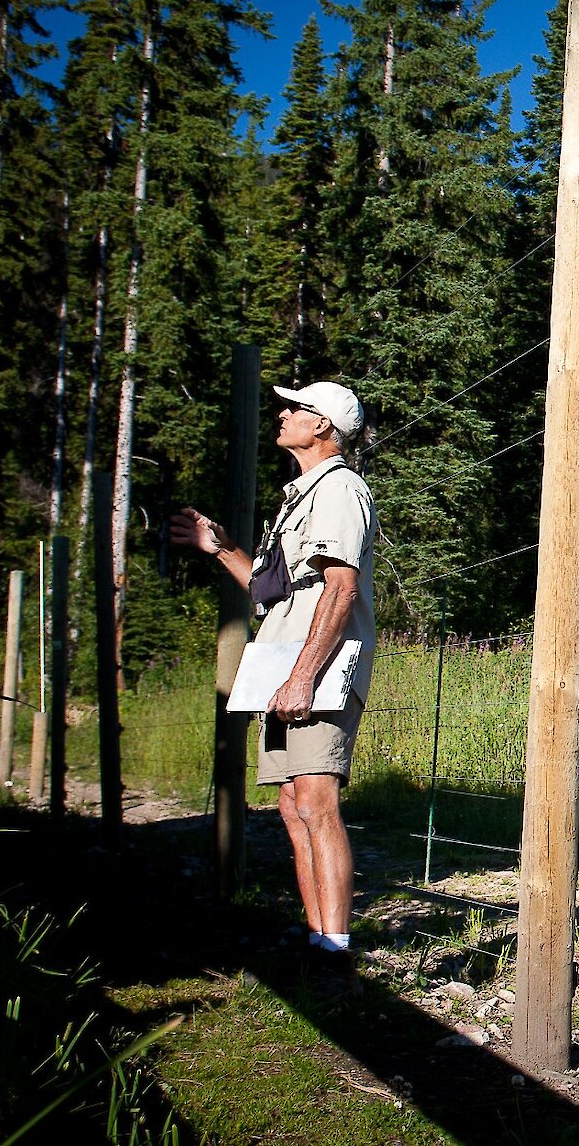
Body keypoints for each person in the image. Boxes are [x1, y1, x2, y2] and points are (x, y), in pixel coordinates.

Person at [169, 380, 378, 980]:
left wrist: (305, 675)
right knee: (292, 805)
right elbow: (270, 589)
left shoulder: (340, 489)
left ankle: (336, 954)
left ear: (323, 427)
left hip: (319, 668)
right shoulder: (301, 495)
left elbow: (340, 588)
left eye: (296, 408)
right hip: (288, 662)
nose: (283, 415)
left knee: (317, 801)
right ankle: (316, 942)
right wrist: (222, 549)